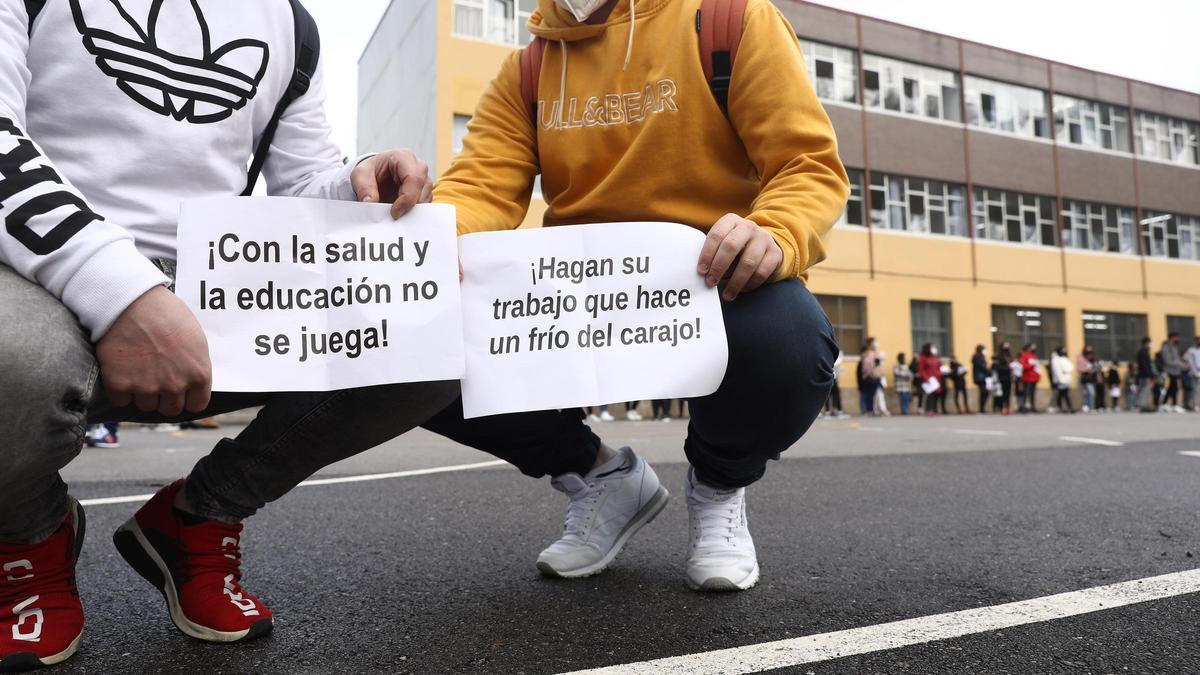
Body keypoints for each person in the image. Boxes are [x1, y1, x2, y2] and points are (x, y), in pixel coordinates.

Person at [0, 2, 459, 668]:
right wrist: (122, 290)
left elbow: (300, 180)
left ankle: (195, 518)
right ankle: (28, 530)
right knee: (14, 357)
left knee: (434, 330)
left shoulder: (291, 22)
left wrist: (359, 177)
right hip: (34, 275)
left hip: (211, 282)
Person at [424, 0, 846, 592]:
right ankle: (597, 474)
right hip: (579, 300)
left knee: (790, 341)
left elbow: (806, 163)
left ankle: (719, 484)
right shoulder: (530, 68)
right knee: (417, 340)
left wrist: (775, 231)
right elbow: (480, 185)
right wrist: (428, 247)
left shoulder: (730, 21)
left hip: (711, 281)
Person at [1159, 333, 1184, 413]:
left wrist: (1182, 364)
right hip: (1169, 371)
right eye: (1176, 338)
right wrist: (1180, 364)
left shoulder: (1174, 347)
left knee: (1172, 388)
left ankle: (1164, 404)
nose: (1177, 339)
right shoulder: (1166, 347)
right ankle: (1174, 405)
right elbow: (1167, 360)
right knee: (1174, 388)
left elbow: (1176, 358)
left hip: (1175, 371)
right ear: (1172, 338)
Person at [917, 343, 943, 416]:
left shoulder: (934, 357)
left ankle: (934, 409)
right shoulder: (923, 358)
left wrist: (940, 374)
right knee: (930, 394)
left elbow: (938, 366)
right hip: (929, 379)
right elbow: (921, 369)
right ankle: (929, 410)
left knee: (936, 394)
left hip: (936, 379)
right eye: (932, 347)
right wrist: (926, 378)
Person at [1135, 337, 1158, 412]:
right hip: (1145, 375)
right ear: (1146, 343)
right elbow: (1145, 365)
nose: (1150, 345)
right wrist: (1150, 375)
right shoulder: (1143, 352)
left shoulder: (1144, 352)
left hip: (1144, 375)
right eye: (1149, 343)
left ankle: (1142, 404)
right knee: (1144, 390)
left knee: (1143, 390)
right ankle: (1142, 405)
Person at [1017, 343, 1041, 413]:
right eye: (1031, 347)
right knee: (1025, 393)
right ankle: (1023, 407)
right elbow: (1023, 366)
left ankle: (1033, 407)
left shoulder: (1034, 356)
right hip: (1027, 377)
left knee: (1032, 393)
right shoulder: (1024, 356)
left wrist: (1038, 375)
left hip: (1034, 377)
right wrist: (1031, 365)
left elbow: (1037, 367)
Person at [859, 339, 880, 416]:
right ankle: (869, 410)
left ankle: (872, 410)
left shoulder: (874, 354)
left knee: (872, 395)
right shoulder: (869, 354)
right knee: (870, 395)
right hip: (871, 377)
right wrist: (869, 372)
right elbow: (867, 366)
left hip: (875, 377)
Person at [825, 350, 848, 418]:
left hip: (834, 378)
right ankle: (830, 411)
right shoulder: (831, 355)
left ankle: (834, 410)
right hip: (831, 378)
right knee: (831, 395)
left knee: (834, 394)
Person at [1051, 347, 1075, 414]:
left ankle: (1065, 407)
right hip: (1060, 380)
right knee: (1061, 395)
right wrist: (1060, 379)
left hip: (1066, 379)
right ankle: (1062, 407)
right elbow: (1057, 371)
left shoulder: (1064, 359)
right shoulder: (1056, 360)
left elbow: (1070, 367)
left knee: (1064, 394)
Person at [993, 343, 1014, 415]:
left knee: (1008, 393)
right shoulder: (998, 357)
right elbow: (997, 367)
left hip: (1008, 377)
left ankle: (1007, 407)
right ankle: (1002, 407)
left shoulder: (1009, 356)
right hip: (1002, 377)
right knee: (1002, 393)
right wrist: (1007, 368)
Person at [971, 345, 990, 414]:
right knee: (984, 391)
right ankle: (981, 408)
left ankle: (982, 408)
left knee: (984, 392)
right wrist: (989, 372)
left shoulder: (981, 357)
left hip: (983, 377)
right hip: (980, 377)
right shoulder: (977, 357)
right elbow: (982, 367)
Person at [1185, 337, 1200, 412]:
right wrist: (1194, 372)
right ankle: (1194, 405)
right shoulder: (1191, 350)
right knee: (1194, 390)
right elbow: (1189, 362)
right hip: (1194, 372)